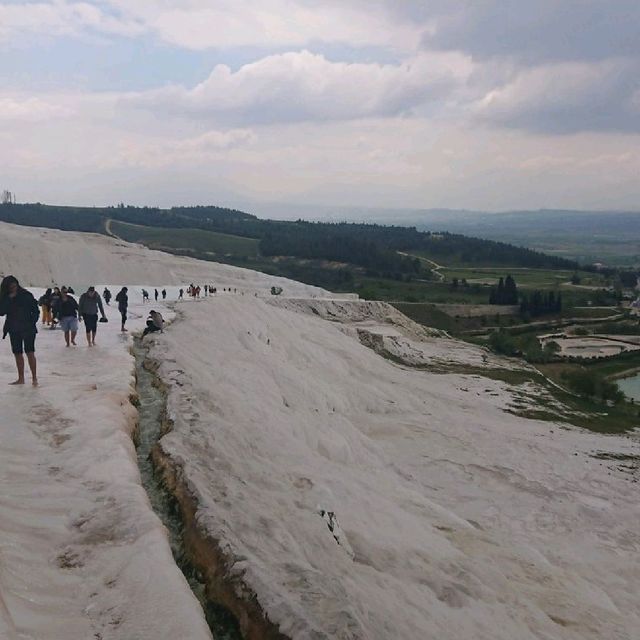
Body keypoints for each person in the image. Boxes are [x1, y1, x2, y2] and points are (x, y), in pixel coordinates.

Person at [0, 276, 39, 386]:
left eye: (14, 285)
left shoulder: (26, 295)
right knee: (17, 353)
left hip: (28, 328)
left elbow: (35, 311)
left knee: (30, 352)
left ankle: (34, 378)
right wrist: (8, 299)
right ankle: (21, 378)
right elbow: (1, 312)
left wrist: (32, 323)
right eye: (10, 287)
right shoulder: (6, 298)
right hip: (13, 329)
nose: (13, 288)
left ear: (17, 284)